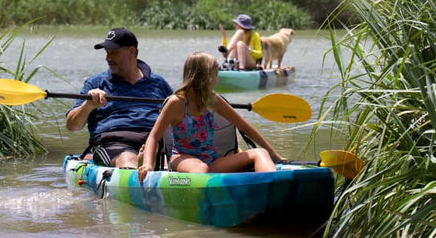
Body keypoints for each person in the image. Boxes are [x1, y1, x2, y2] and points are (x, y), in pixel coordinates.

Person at [138, 52, 285, 183]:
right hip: (182, 159)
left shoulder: (213, 100)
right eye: (215, 74)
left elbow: (244, 126)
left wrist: (274, 155)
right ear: (204, 77)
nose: (217, 79)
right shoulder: (176, 103)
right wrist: (148, 164)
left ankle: (272, 188)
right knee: (201, 170)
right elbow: (153, 136)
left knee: (260, 153)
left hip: (212, 160)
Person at [66, 28, 173, 168]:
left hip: (154, 141)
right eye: (107, 53)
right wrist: (88, 105)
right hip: (113, 143)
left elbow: (179, 119)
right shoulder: (95, 83)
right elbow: (72, 126)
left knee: (168, 164)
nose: (108, 58)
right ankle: (138, 170)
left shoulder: (158, 83)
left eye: (114, 53)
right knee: (128, 159)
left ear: (132, 51)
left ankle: (155, 168)